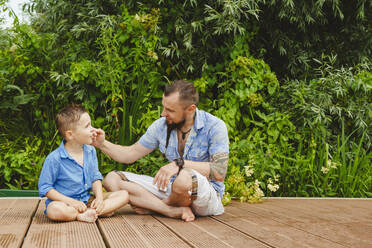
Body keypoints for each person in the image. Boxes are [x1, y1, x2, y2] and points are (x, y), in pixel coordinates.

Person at [94, 80, 229, 222]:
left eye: (170, 110)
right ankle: (170, 210)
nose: (163, 114)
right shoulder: (161, 126)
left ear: (191, 109)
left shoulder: (214, 126)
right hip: (172, 189)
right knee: (111, 179)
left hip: (205, 197)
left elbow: (220, 172)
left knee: (183, 178)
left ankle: (159, 206)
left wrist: (179, 164)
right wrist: (102, 144)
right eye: (164, 107)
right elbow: (129, 154)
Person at [38, 104, 129, 222]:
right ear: (70, 135)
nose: (93, 129)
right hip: (65, 204)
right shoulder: (55, 158)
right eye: (87, 126)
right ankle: (81, 214)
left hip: (87, 200)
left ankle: (94, 210)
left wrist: (100, 198)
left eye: (91, 124)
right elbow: (45, 188)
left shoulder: (90, 151)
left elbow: (95, 177)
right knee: (54, 210)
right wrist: (72, 202)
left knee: (124, 195)